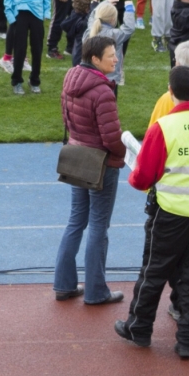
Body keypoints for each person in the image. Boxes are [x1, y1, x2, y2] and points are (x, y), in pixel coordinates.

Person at [115, 63, 189, 361]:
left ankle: (139, 329)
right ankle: (187, 340)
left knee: (153, 272)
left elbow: (142, 178)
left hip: (169, 215)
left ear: (170, 91)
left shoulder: (163, 127)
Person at [56, 34, 136, 307]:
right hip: (101, 164)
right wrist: (127, 154)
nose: (116, 59)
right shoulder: (102, 90)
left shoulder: (71, 78)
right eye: (111, 55)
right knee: (99, 226)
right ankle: (96, 291)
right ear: (95, 59)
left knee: (76, 221)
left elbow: (67, 119)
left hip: (77, 157)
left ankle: (64, 284)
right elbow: (111, 137)